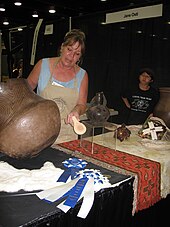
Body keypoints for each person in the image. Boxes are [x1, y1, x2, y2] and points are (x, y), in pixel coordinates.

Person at [27, 29, 88, 143]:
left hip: (67, 135)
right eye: (69, 49)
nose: (71, 56)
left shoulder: (82, 75)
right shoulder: (42, 65)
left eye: (77, 54)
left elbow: (82, 104)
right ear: (62, 47)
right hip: (40, 131)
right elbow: (25, 92)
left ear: (80, 57)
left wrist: (76, 110)